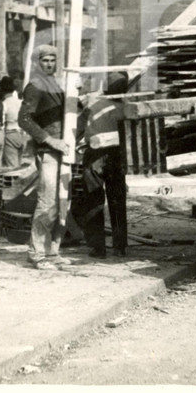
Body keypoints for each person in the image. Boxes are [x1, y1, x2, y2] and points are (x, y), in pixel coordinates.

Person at [18, 44, 71, 271]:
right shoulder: (35, 86)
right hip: (48, 151)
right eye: (45, 61)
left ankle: (53, 251)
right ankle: (36, 254)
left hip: (64, 151)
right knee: (47, 201)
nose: (49, 64)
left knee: (62, 202)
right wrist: (50, 140)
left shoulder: (56, 85)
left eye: (52, 60)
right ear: (37, 63)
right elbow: (25, 120)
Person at [73, 72, 129, 258]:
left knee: (94, 201)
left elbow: (77, 129)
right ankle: (119, 246)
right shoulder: (127, 107)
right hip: (117, 156)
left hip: (95, 156)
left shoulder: (93, 103)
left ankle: (98, 247)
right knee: (117, 200)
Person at [0, 75, 26, 169]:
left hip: (10, 133)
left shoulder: (4, 103)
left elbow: (1, 122)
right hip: (22, 134)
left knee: (11, 165)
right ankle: (19, 182)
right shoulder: (20, 102)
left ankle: (14, 183)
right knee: (19, 163)